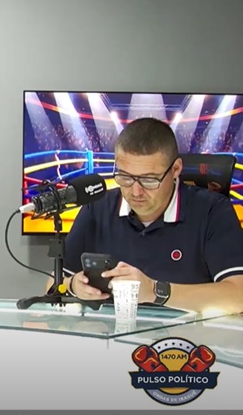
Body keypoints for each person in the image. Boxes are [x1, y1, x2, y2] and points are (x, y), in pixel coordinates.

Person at [53, 117, 243, 314]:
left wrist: (155, 291)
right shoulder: (96, 207)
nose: (136, 192)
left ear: (176, 169)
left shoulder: (213, 210)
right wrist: (73, 285)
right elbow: (54, 285)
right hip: (110, 329)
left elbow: (239, 296)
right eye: (125, 177)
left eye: (149, 180)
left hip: (187, 332)